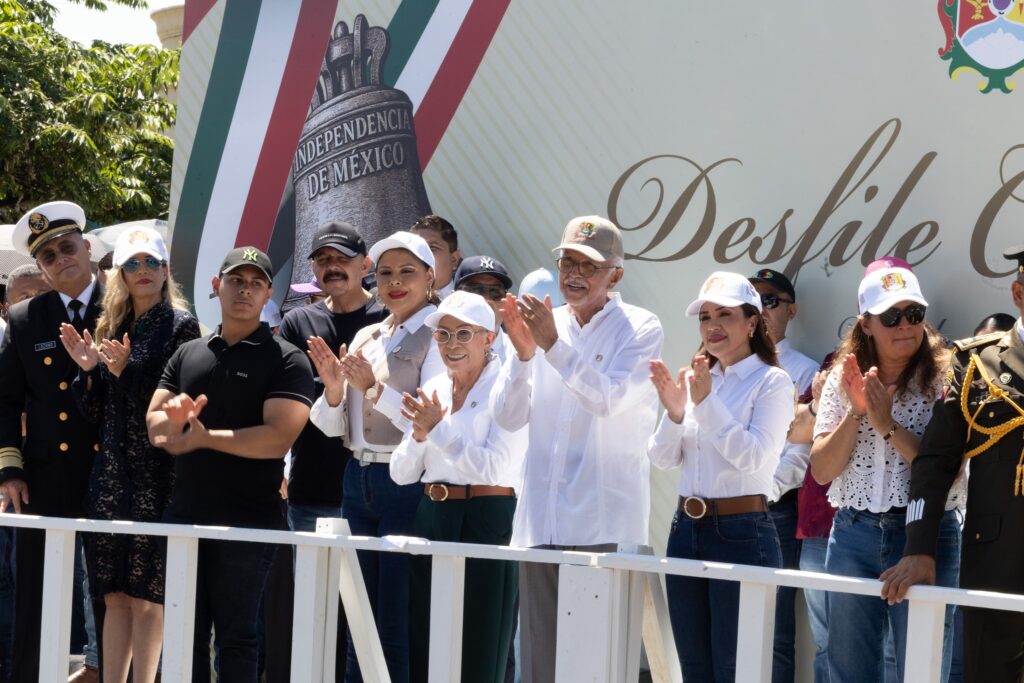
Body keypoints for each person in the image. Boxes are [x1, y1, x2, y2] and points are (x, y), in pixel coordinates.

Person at [492, 215, 663, 683]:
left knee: (598, 668)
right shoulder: (543, 326)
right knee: (539, 670)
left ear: (616, 275)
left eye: (589, 265)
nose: (575, 274)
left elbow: (608, 400)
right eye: (568, 262)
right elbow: (507, 418)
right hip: (540, 523)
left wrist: (551, 346)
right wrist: (524, 356)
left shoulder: (641, 327)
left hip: (602, 526)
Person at [145, 246, 314, 681]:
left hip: (249, 521)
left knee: (237, 638)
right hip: (184, 515)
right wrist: (173, 421)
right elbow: (154, 425)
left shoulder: (288, 358)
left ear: (268, 294)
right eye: (236, 280)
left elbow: (278, 439)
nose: (245, 290)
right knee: (183, 634)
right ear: (216, 286)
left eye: (256, 283)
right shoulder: (188, 353)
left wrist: (204, 438)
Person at [810, 264, 964, 683]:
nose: (905, 326)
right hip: (853, 534)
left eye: (914, 314)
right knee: (848, 670)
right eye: (891, 316)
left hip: (928, 533)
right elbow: (822, 471)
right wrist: (857, 414)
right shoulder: (844, 377)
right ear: (866, 324)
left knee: (922, 669)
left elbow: (948, 472)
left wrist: (886, 426)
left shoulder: (949, 377)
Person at [59, 227, 199, 683]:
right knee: (114, 596)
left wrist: (125, 371)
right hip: (111, 477)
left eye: (151, 263)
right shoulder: (112, 327)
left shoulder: (181, 325)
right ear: (120, 273)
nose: (143, 271)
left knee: (147, 598)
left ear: (165, 271)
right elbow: (95, 410)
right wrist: (89, 372)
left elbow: (170, 403)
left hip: (158, 475)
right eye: (133, 264)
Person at [881, 246, 1024, 683]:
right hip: (999, 562)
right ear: (1019, 294)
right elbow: (935, 462)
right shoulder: (976, 361)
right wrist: (918, 547)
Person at [307, 230, 444, 682]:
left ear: (430, 276)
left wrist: (372, 388)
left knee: (395, 617)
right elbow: (333, 426)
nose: (395, 282)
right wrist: (333, 389)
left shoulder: (440, 333)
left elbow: (430, 421)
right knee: (357, 612)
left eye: (407, 272)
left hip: (406, 481)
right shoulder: (369, 334)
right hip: (357, 477)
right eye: (385, 273)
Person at [647, 271, 792, 681]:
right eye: (705, 316)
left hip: (742, 531)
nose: (712, 325)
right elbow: (661, 458)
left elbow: (754, 459)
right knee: (693, 667)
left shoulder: (772, 381)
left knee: (736, 670)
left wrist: (705, 403)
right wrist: (676, 414)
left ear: (752, 322)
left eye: (725, 314)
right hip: (685, 530)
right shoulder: (699, 380)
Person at [388, 291, 525, 683]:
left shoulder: (507, 386)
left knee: (480, 642)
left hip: (487, 515)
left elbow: (495, 468)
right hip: (433, 514)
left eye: (463, 333)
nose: (451, 344)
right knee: (427, 638)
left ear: (489, 338)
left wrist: (437, 430)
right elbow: (401, 473)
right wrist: (419, 437)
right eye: (443, 335)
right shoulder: (434, 385)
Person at [0, 201, 104, 683]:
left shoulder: (124, 305)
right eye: (49, 256)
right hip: (46, 472)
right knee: (37, 592)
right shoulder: (25, 319)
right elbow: (5, 401)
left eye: (68, 247)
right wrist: (10, 469)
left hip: (111, 470)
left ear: (87, 247)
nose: (61, 259)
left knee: (111, 591)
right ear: (41, 268)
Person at [274, 221, 384, 678]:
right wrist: (282, 465)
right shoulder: (298, 322)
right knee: (315, 615)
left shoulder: (387, 318)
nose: (332, 267)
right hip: (312, 488)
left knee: (370, 617)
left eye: (342, 259)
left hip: (376, 494)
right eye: (323, 260)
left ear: (365, 264)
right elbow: (284, 400)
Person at [747, 268, 818, 683]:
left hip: (774, 511)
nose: (761, 309)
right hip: (720, 511)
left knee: (773, 630)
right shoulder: (720, 365)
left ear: (792, 310)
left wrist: (757, 492)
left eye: (770, 300)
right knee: (723, 621)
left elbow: (802, 453)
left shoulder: (806, 370)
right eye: (753, 300)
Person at [454, 255, 515, 363]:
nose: (486, 300)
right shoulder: (437, 346)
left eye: (495, 292)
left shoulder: (520, 354)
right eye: (475, 291)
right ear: (453, 298)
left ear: (505, 301)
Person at [410, 215, 460, 299]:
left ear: (454, 259)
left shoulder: (473, 302)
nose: (420, 255)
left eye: (432, 248)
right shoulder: (392, 304)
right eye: (414, 249)